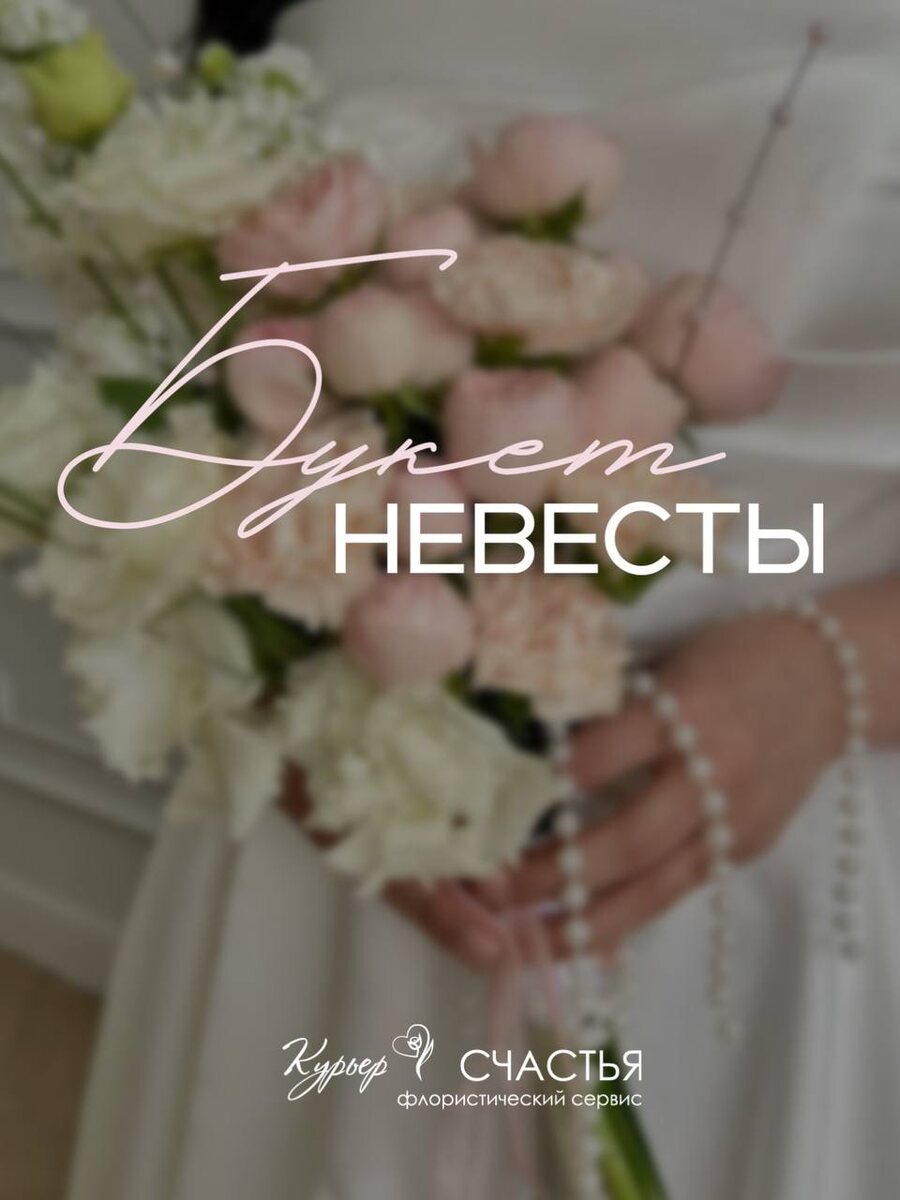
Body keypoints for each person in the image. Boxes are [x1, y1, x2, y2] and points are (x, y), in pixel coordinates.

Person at [67, 2, 900, 1198]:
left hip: (761, 884)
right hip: (329, 845)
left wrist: (842, 669)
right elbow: (170, 347)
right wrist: (248, 639)